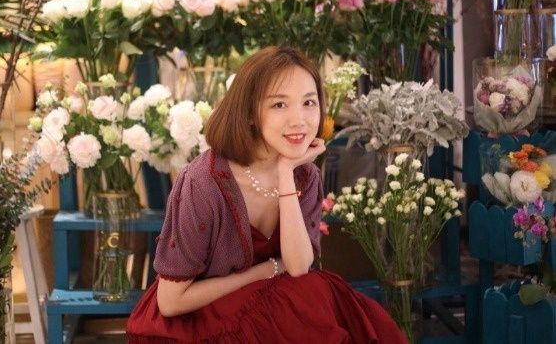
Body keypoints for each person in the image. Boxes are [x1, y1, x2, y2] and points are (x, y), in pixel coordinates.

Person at [127, 46, 406, 343]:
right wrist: (267, 270)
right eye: (279, 105)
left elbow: (298, 267)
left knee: (314, 291)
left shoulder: (304, 175)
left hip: (266, 307)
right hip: (196, 320)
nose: (299, 120)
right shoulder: (203, 182)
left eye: (309, 102)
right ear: (249, 113)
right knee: (308, 296)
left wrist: (286, 172)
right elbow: (171, 302)